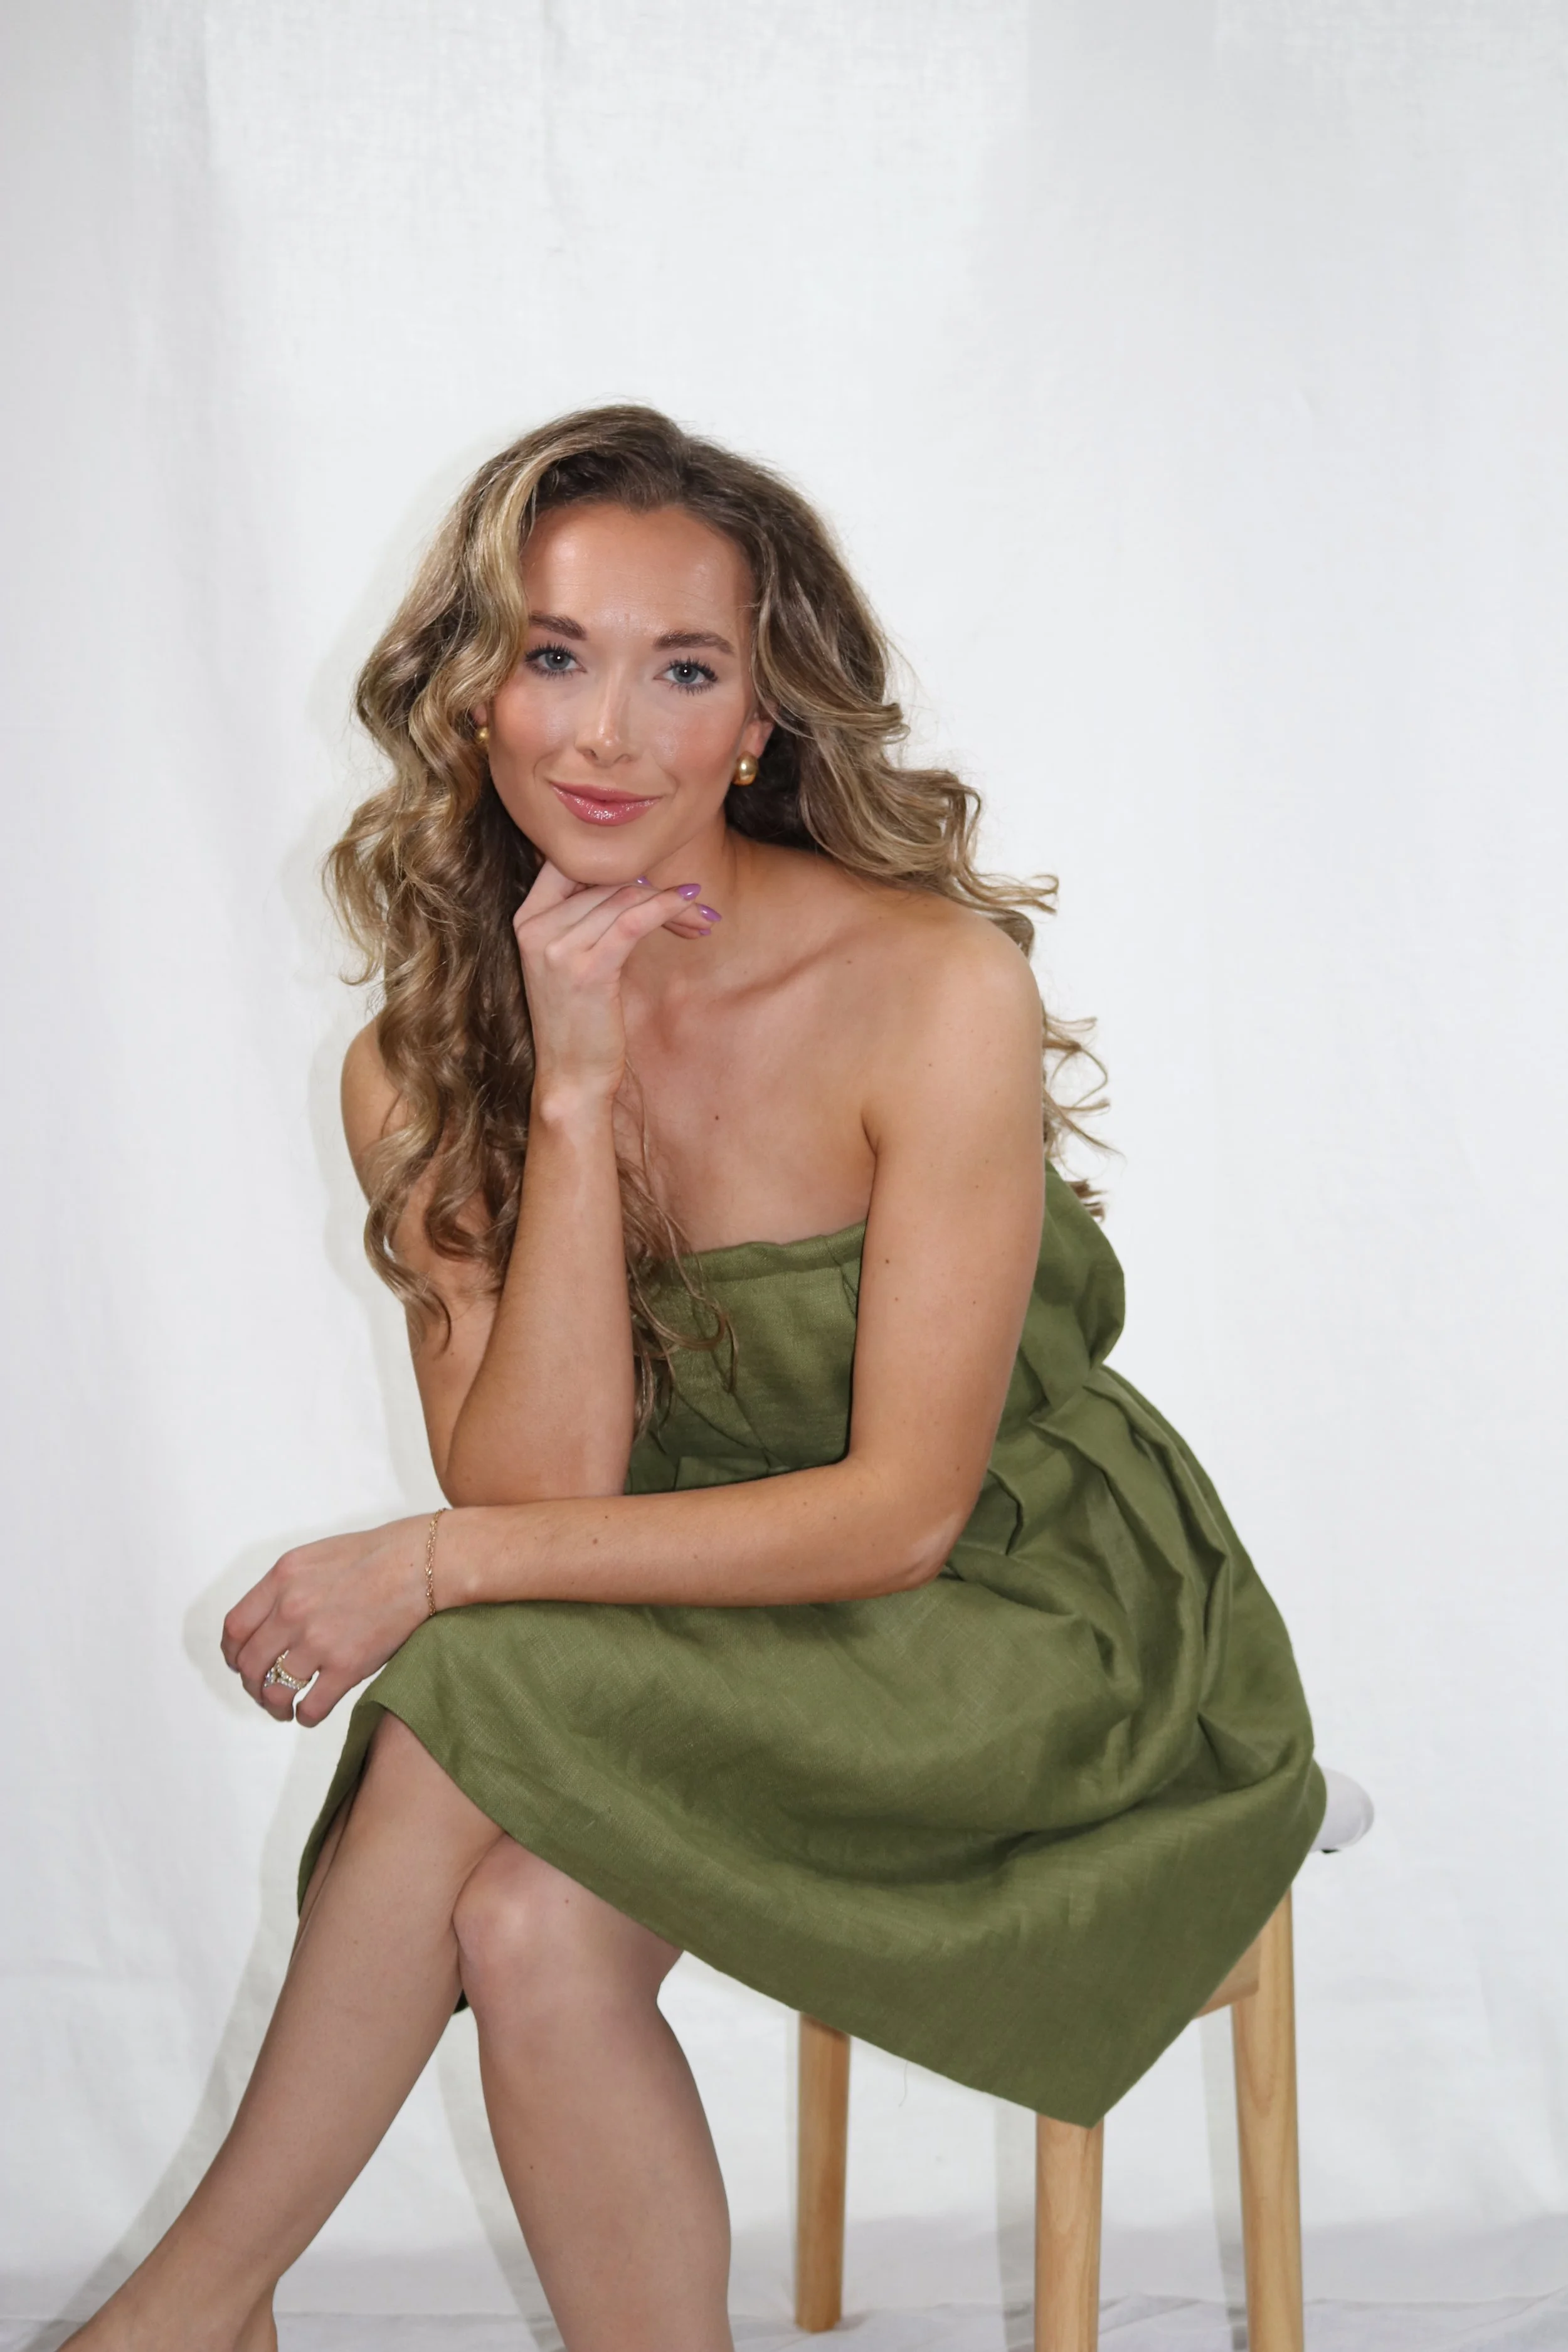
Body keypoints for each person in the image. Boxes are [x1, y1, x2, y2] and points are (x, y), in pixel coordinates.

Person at [68, 405, 1323, 2352]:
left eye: (683, 669)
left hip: (1025, 1618)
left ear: (761, 716)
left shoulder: (925, 985)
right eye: (555, 654)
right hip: (695, 1608)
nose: (605, 733)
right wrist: (566, 1090)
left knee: (469, 1653)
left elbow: (899, 1515)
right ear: (470, 689)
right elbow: (541, 1486)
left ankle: (183, 2317)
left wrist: (419, 1570)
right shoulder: (421, 1067)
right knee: (525, 1924)